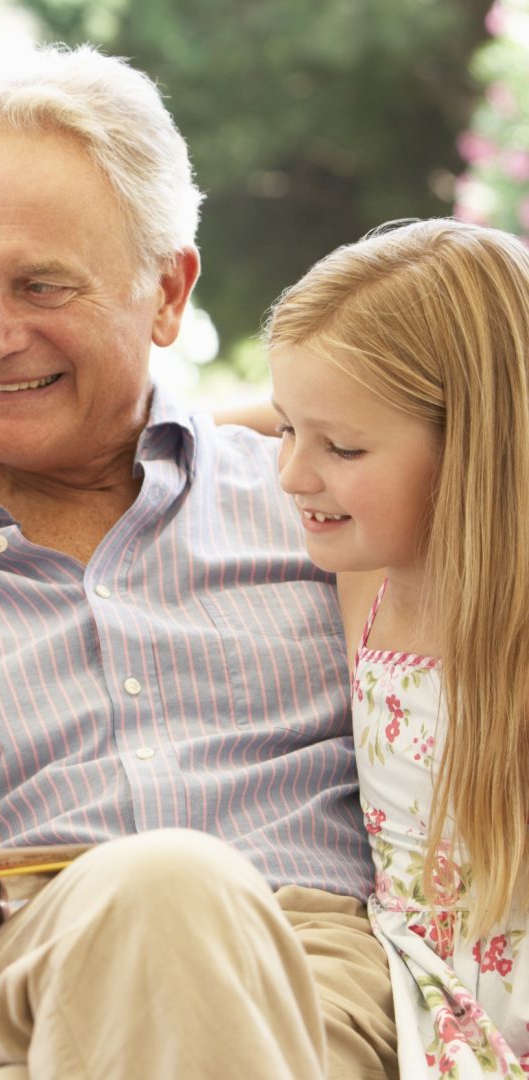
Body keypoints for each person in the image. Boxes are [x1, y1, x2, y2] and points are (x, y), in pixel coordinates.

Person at [0, 44, 397, 1080]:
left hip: (304, 985)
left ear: (167, 291)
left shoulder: (317, 514)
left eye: (40, 285)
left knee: (173, 895)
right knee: (161, 887)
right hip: (2, 999)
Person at [267, 217, 529, 1077]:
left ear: (476, 445)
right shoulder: (364, 580)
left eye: (340, 447)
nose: (291, 474)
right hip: (401, 994)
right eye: (285, 429)